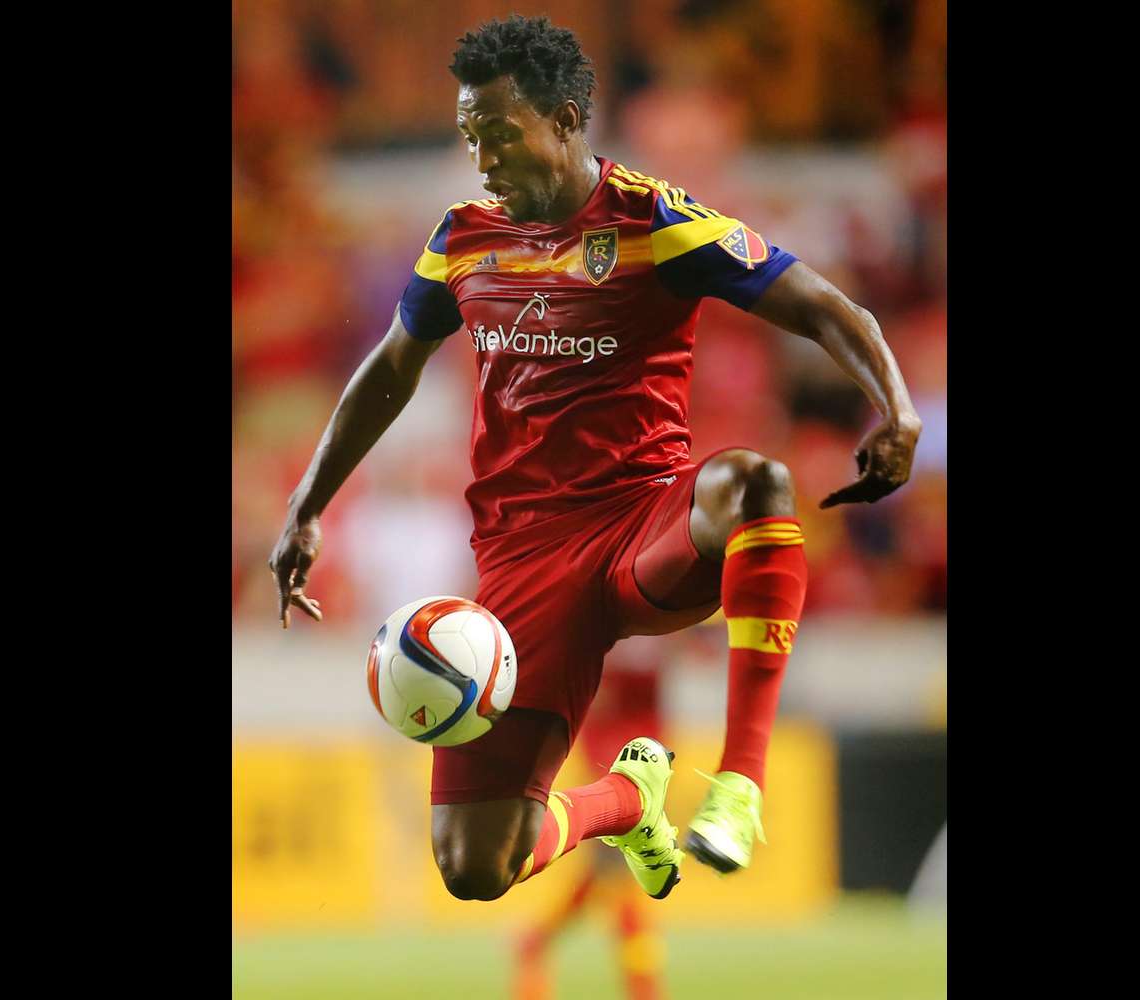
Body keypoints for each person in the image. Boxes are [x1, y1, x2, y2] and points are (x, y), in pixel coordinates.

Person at [268, 15, 921, 904]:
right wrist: (307, 505)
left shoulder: (656, 220)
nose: (482, 158)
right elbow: (390, 367)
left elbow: (823, 307)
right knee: (474, 867)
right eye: (470, 137)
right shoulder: (461, 239)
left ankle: (740, 782)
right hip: (523, 561)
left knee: (755, 483)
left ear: (567, 119)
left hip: (643, 527)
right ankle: (627, 799)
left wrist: (897, 407)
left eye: (499, 134)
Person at [513, 638, 670, 1000]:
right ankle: (643, 989)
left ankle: (537, 939)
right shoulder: (606, 651)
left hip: (640, 776)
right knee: (624, 880)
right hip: (619, 783)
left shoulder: (633, 656)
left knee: (605, 877)